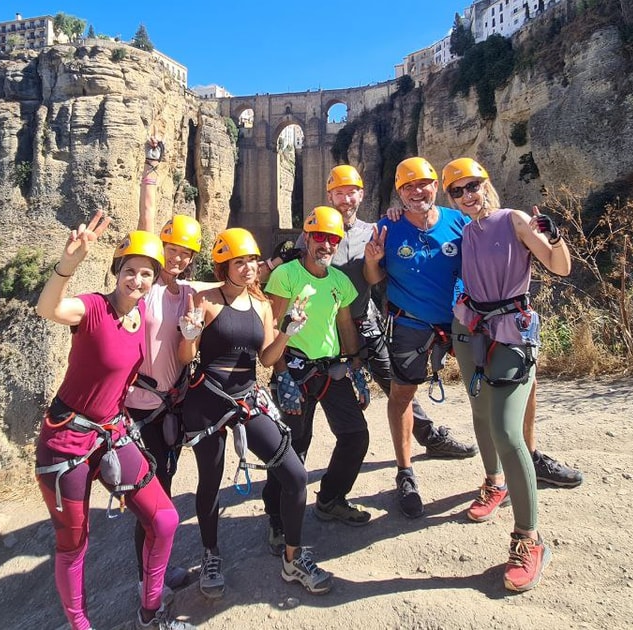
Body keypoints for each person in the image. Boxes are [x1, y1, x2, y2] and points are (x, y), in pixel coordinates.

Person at [33, 214, 192, 630]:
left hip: (112, 432)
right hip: (66, 439)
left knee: (164, 519)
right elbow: (48, 307)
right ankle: (80, 625)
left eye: (145, 274)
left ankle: (150, 610)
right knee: (73, 543)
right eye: (129, 271)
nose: (136, 280)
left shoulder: (143, 320)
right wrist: (68, 263)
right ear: (116, 273)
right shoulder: (93, 307)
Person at [271, 165, 477, 460]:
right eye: (339, 193)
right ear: (330, 196)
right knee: (310, 395)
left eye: (351, 192)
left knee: (397, 384)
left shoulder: (376, 230)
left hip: (362, 320)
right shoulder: (313, 235)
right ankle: (291, 467)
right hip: (321, 328)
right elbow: (293, 271)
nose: (345, 199)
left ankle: (430, 437)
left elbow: (379, 272)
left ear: (361, 194)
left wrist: (396, 215)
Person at [178, 227, 333, 597]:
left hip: (247, 396)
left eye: (251, 260)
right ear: (223, 266)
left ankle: (293, 559)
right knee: (210, 480)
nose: (248, 267)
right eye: (239, 261)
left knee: (295, 474)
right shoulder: (207, 301)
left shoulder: (261, 303)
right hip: (209, 399)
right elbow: (187, 358)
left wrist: (288, 333)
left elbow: (266, 358)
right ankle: (211, 553)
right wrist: (187, 335)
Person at [441, 157, 571, 592]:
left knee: (505, 429)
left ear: (485, 184)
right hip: (471, 327)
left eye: (471, 186)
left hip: (512, 331)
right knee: (479, 416)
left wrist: (552, 234)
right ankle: (493, 484)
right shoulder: (463, 229)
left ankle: (529, 539)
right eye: (456, 192)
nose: (466, 196)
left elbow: (559, 265)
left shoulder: (512, 219)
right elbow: (425, 220)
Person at [125, 142, 218, 591]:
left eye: (185, 253)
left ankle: (154, 571)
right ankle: (150, 580)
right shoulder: (142, 284)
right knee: (150, 491)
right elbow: (144, 225)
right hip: (138, 406)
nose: (178, 257)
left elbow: (228, 280)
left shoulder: (186, 292)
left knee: (163, 483)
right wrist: (151, 172)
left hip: (171, 404)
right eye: (171, 249)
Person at [363, 157, 469, 519]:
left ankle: (497, 472)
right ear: (399, 192)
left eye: (422, 184)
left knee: (484, 390)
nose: (416, 191)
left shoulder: (459, 222)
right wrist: (373, 261)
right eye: (408, 186)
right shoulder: (387, 228)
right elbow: (374, 279)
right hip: (409, 326)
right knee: (402, 395)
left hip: (458, 323)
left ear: (435, 186)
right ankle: (405, 472)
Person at [265, 206, 372, 538]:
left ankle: (331, 499)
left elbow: (344, 324)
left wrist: (355, 364)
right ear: (307, 238)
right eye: (320, 238)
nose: (326, 245)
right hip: (294, 369)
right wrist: (281, 374)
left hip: (330, 370)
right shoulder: (287, 275)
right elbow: (272, 325)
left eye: (332, 239)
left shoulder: (339, 281)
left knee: (355, 436)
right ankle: (278, 520)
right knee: (292, 447)